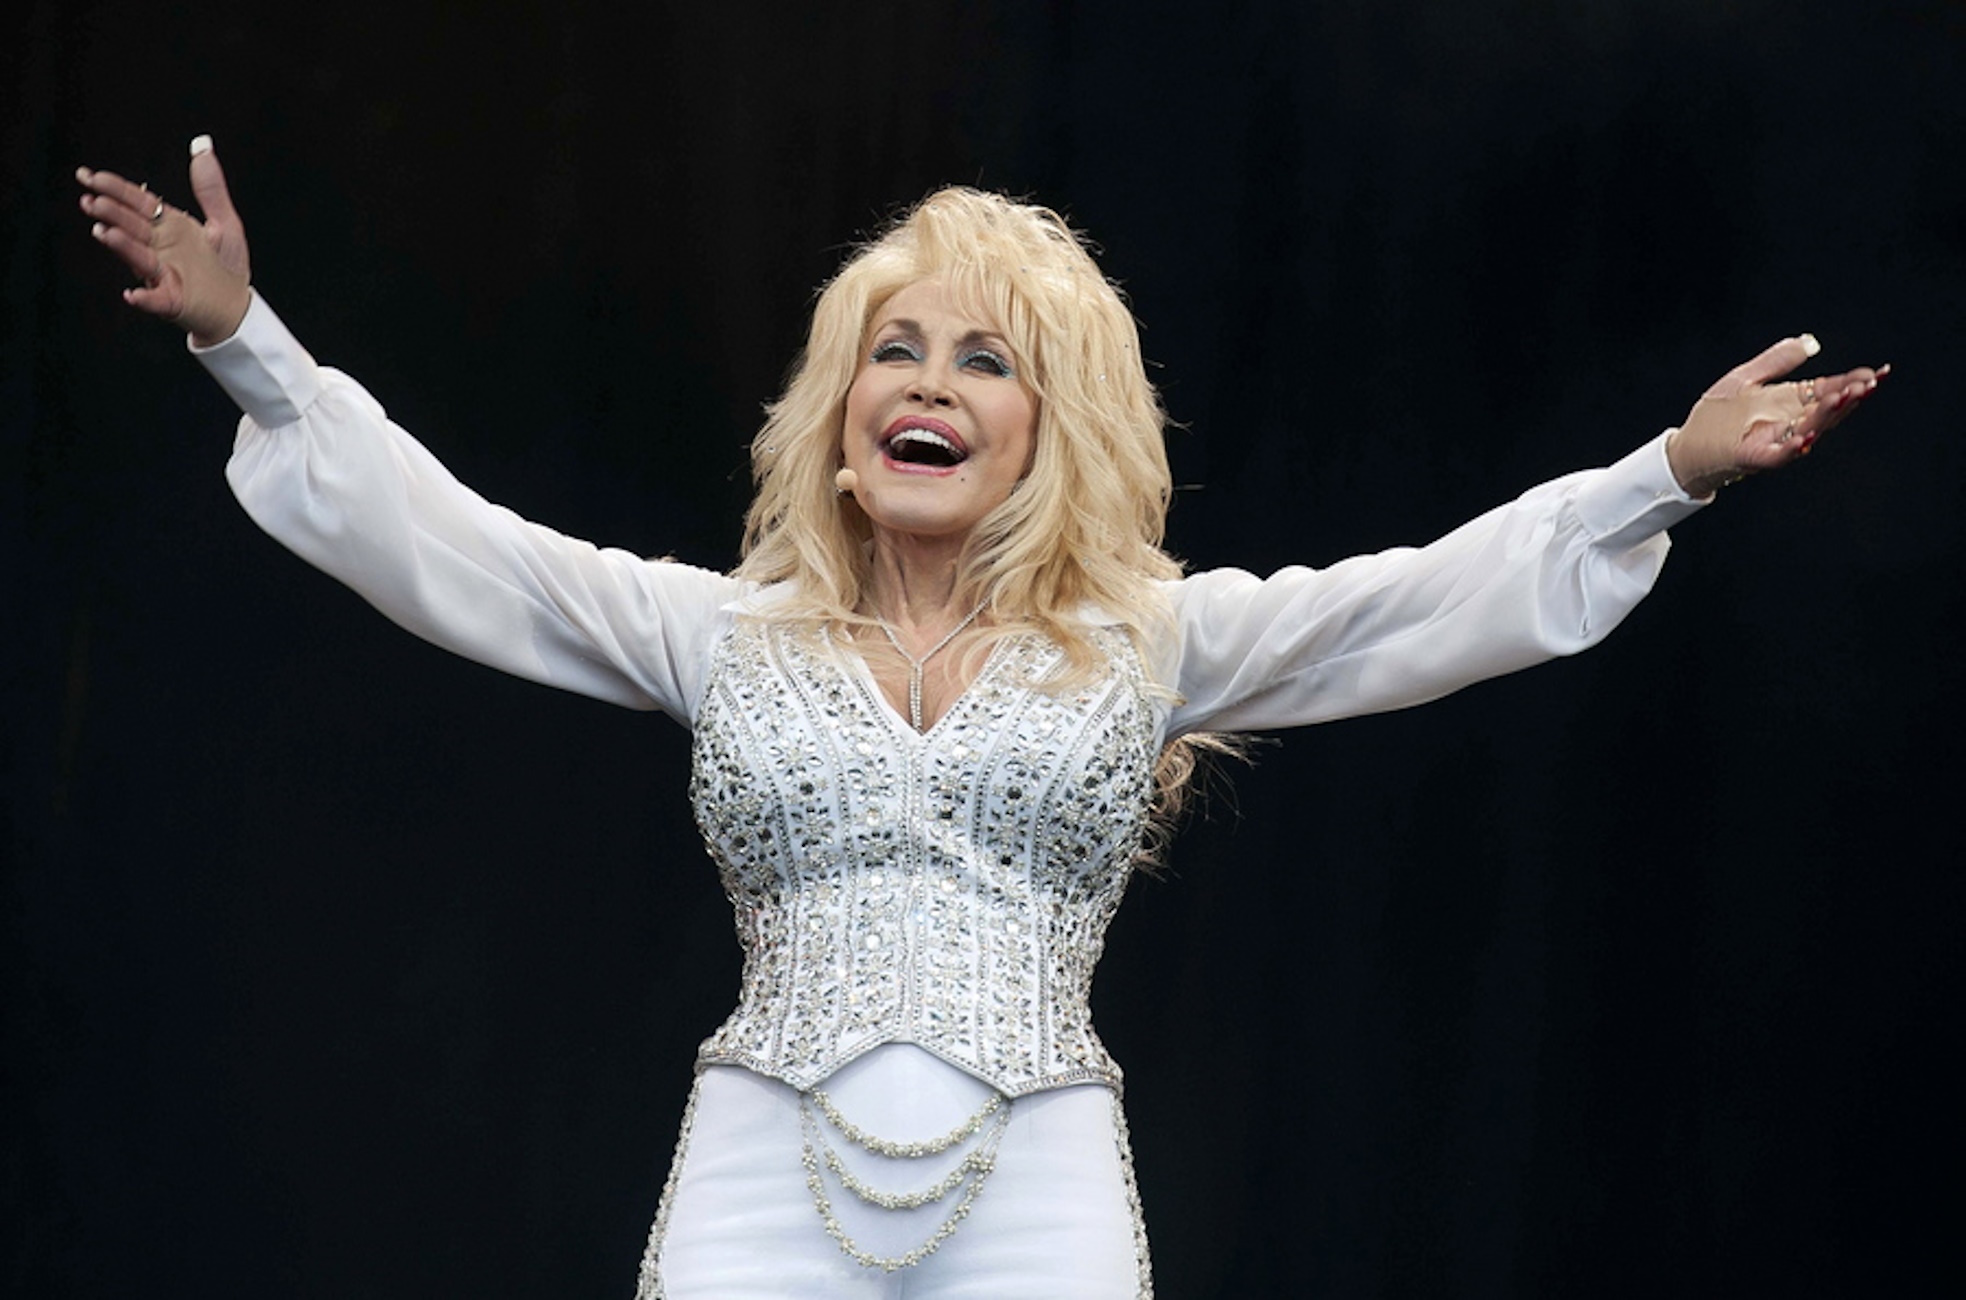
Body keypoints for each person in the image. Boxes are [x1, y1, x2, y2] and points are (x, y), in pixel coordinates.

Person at [78, 137, 1884, 1299]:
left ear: (1046, 427)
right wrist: (252, 345)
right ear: (842, 410)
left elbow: (1412, 600)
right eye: (895, 350)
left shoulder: (1145, 640)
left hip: (1036, 1179)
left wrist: (1666, 472)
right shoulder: (722, 632)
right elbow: (453, 547)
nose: (926, 387)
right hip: (759, 1169)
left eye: (984, 360)